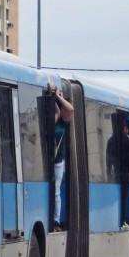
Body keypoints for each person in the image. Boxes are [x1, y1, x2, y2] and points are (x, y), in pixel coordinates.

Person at [106, 121, 129, 226]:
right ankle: (121, 219)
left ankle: (114, 218)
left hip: (115, 172)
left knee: (115, 197)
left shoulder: (111, 140)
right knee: (123, 196)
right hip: (126, 172)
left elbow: (108, 157)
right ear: (124, 128)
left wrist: (108, 170)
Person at [51, 85, 74, 232]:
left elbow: (71, 109)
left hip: (58, 162)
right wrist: (52, 97)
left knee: (56, 192)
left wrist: (58, 96)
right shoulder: (55, 119)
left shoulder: (63, 123)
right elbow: (58, 110)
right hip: (47, 161)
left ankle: (56, 220)